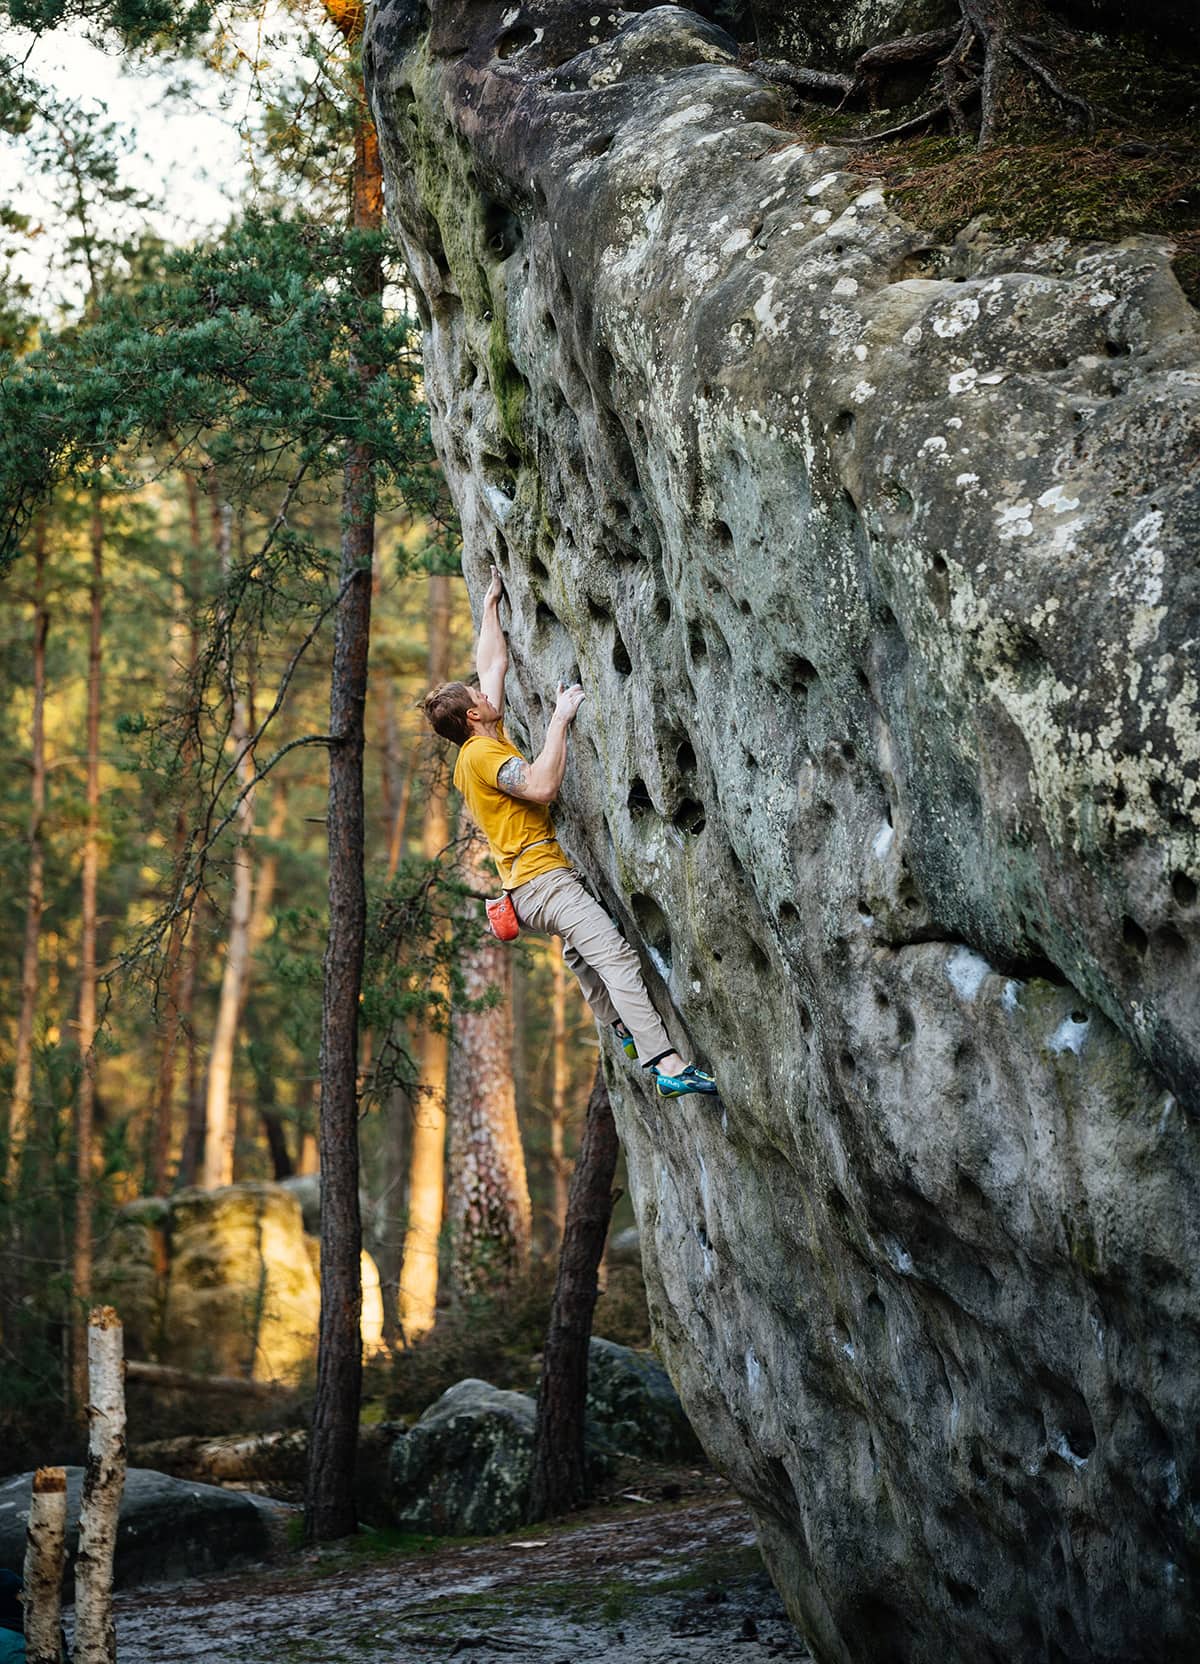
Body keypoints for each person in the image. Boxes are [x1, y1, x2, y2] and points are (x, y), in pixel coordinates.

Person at [422, 565, 717, 1099]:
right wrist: (560, 718)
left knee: (584, 959)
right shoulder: (485, 751)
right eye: (474, 695)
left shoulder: (481, 738)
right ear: (471, 716)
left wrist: (490, 604)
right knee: (615, 957)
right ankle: (666, 1063)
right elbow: (538, 787)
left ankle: (624, 1030)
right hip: (546, 883)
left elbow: (492, 663)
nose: (483, 691)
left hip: (527, 889)